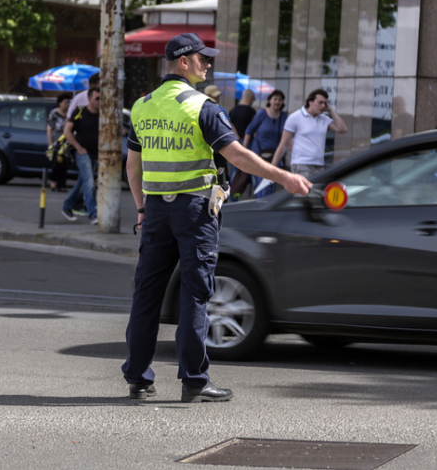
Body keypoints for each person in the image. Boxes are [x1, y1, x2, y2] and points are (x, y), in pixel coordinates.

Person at [122, 33, 311, 402]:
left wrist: (143, 208)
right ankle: (193, 380)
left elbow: (133, 166)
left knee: (146, 295)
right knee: (194, 295)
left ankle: (138, 378)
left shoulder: (142, 106)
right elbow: (238, 157)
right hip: (194, 212)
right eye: (201, 58)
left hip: (157, 211)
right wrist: (284, 177)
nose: (207, 64)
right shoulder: (202, 107)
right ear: (183, 62)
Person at [270, 89, 348, 180]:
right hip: (301, 164)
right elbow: (283, 144)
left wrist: (330, 110)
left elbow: (343, 129)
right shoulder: (295, 117)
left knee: (318, 194)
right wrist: (272, 168)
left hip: (319, 166)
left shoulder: (324, 118)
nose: (323, 106)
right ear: (310, 102)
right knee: (305, 193)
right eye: (320, 102)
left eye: (325, 103)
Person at [60, 87, 101, 224]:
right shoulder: (80, 111)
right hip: (82, 153)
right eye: (97, 99)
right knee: (89, 182)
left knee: (82, 182)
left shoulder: (102, 114)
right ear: (89, 99)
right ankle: (93, 215)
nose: (99, 102)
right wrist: (78, 147)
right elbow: (67, 131)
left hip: (95, 154)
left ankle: (67, 207)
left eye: (101, 99)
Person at [243, 89, 287, 197]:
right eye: (275, 99)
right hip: (259, 155)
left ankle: (265, 210)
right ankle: (260, 208)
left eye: (280, 100)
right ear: (270, 100)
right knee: (261, 186)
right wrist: (244, 150)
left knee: (271, 186)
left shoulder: (284, 116)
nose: (277, 102)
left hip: (275, 157)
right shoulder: (262, 113)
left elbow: (287, 137)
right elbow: (249, 130)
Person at [46, 92, 73, 192]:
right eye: (65, 102)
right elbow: (49, 128)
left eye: (68, 102)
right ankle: (54, 180)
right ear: (60, 103)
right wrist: (50, 143)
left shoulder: (69, 114)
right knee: (57, 162)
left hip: (66, 142)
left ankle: (62, 184)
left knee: (64, 163)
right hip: (56, 142)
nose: (67, 104)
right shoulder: (54, 113)